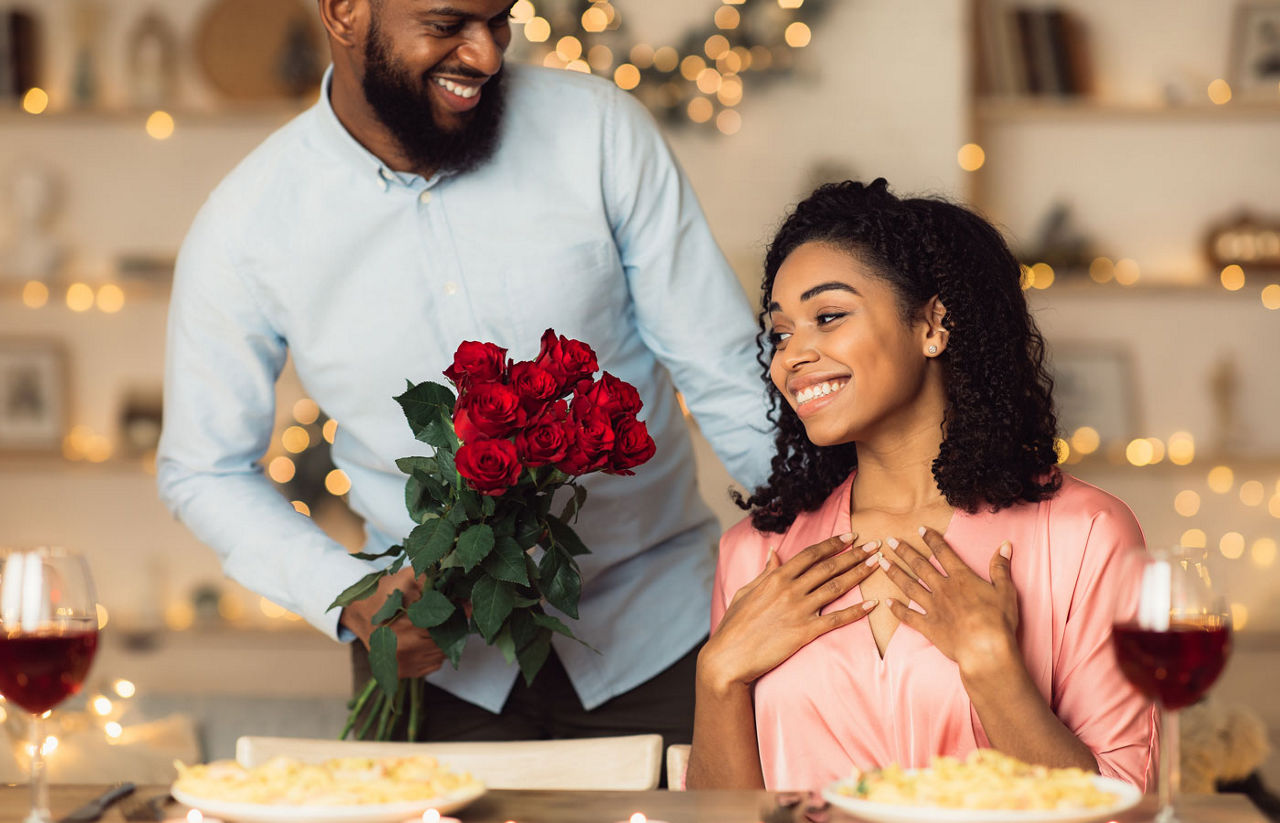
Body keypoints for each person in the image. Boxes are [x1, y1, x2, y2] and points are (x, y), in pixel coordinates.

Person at [156, 0, 771, 754]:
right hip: (433, 668)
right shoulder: (245, 225)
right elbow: (203, 468)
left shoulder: (600, 133)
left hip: (663, 639)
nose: (484, 56)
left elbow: (729, 376)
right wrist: (347, 599)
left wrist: (845, 539)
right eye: (448, 25)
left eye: (499, 20)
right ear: (345, 12)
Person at [685, 179, 1156, 790]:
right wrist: (718, 676)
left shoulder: (1086, 536)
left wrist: (992, 669)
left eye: (828, 317)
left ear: (933, 323)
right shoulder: (755, 552)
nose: (789, 357)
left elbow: (1125, 807)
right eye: (780, 332)